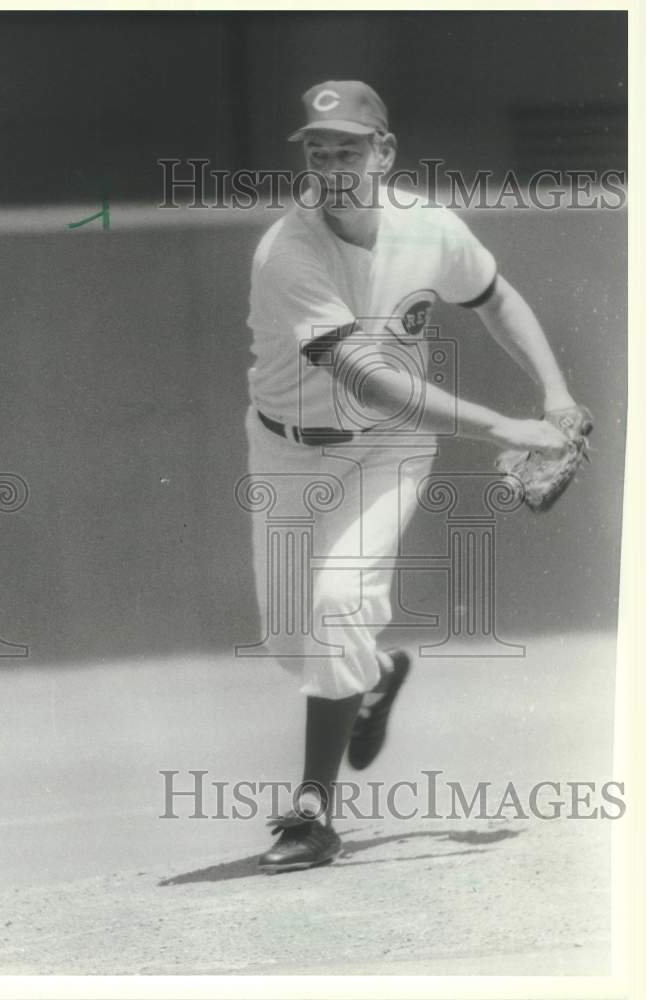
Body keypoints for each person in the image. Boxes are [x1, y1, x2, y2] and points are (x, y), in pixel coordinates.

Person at [244, 80, 578, 873]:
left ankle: (312, 815)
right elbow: (365, 374)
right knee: (294, 646)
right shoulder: (288, 250)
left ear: (384, 152)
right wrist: (501, 423)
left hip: (391, 446)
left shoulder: (429, 226)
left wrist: (557, 393)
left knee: (335, 605)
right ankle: (375, 675)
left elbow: (494, 298)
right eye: (319, 151)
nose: (332, 164)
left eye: (349, 149)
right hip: (287, 450)